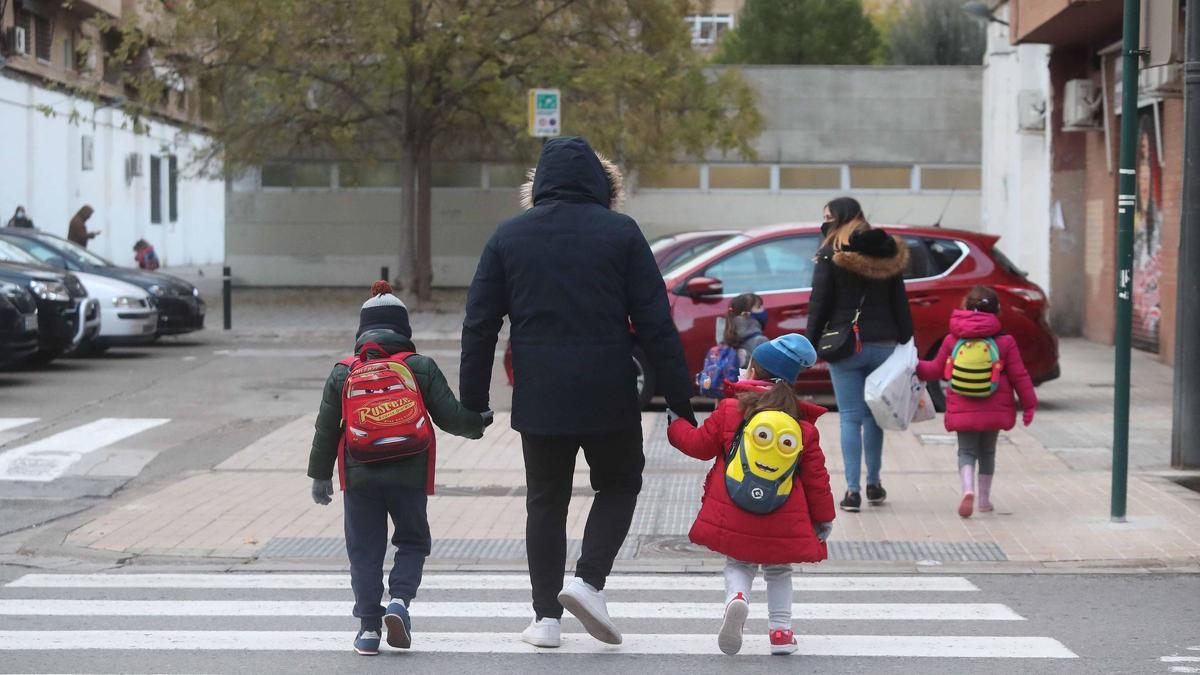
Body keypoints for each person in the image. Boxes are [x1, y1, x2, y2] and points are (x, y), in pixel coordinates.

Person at [459, 136, 696, 649]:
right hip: (608, 389)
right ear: (599, 182)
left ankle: (545, 620)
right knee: (620, 484)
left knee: (546, 502)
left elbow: (479, 324)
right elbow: (656, 321)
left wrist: (473, 402)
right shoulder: (621, 233)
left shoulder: (509, 237)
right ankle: (588, 582)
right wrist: (681, 400)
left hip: (540, 396)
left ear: (538, 183)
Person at [308, 281, 492, 655]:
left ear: (362, 330)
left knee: (365, 551)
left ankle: (368, 629)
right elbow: (451, 417)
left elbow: (326, 429)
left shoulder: (343, 371)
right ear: (403, 330)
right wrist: (479, 424)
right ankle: (400, 603)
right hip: (410, 474)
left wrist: (319, 476)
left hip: (358, 476)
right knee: (412, 541)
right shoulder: (418, 367)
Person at [667, 334, 835, 656]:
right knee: (779, 571)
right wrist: (824, 518)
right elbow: (817, 480)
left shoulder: (731, 410)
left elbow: (698, 445)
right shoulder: (801, 426)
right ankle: (781, 633)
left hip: (735, 511)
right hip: (783, 517)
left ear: (755, 373)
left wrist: (675, 425)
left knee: (739, 564)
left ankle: (737, 599)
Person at [806, 197, 912, 513]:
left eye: (827, 217)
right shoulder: (889, 254)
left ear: (839, 218)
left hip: (846, 346)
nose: (823, 223)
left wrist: (809, 345)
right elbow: (900, 302)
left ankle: (852, 491)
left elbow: (819, 304)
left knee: (850, 417)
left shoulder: (831, 254)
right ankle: (874, 483)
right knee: (875, 416)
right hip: (884, 345)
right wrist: (906, 343)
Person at [916, 285, 1037, 518]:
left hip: (963, 407)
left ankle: (967, 489)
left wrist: (914, 364)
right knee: (988, 452)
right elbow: (1019, 375)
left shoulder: (953, 339)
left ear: (964, 307)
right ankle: (983, 501)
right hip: (995, 407)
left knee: (967, 451)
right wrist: (1029, 405)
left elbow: (934, 370)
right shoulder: (1005, 342)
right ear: (996, 311)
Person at [723, 292, 769, 368]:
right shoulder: (760, 341)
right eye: (759, 307)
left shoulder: (728, 340)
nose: (763, 310)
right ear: (745, 315)